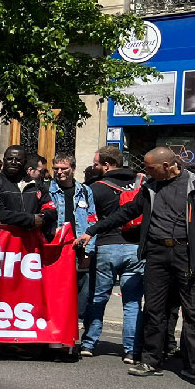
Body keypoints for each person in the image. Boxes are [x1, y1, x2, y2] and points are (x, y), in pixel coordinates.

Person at [77, 147, 195, 387]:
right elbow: (127, 212)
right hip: (157, 253)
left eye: (150, 168)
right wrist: (92, 231)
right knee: (154, 309)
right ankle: (151, 361)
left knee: (193, 313)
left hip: (186, 254)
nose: (144, 173)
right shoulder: (149, 188)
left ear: (166, 166)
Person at [81, 146, 144, 362]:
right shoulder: (140, 182)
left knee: (98, 297)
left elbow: (88, 218)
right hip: (135, 247)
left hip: (107, 246)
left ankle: (89, 343)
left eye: (96, 164)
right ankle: (131, 350)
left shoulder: (96, 188)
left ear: (107, 165)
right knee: (133, 301)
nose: (94, 167)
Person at [49, 153, 97, 326]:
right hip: (57, 249)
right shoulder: (48, 190)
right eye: (56, 169)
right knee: (57, 293)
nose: (59, 172)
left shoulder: (85, 191)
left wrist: (88, 251)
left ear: (73, 169)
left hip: (79, 248)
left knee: (81, 297)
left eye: (64, 169)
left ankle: (71, 331)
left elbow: (92, 219)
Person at [0, 145, 56, 238]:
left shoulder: (37, 184)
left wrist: (42, 218)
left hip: (32, 243)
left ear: (25, 162)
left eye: (18, 160)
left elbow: (51, 210)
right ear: (4, 160)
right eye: (10, 159)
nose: (13, 162)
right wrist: (30, 220)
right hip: (4, 242)